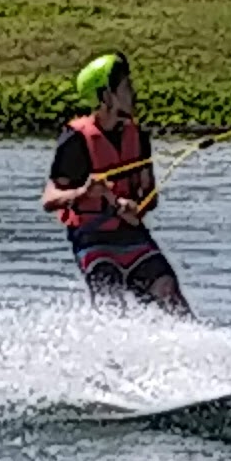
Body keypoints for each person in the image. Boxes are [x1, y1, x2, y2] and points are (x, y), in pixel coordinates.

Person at [42, 52, 190, 315]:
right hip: (92, 240)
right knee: (111, 302)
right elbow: (49, 199)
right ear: (106, 97)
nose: (133, 93)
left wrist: (137, 210)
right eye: (126, 87)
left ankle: (194, 350)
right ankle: (111, 352)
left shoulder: (138, 136)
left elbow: (149, 197)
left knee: (169, 292)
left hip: (132, 236)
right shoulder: (75, 140)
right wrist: (83, 192)